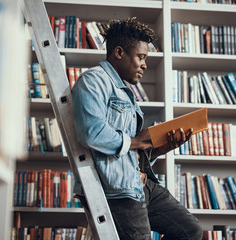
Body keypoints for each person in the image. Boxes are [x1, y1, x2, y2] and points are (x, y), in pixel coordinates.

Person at [71, 17, 202, 240]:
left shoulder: (126, 92)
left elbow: (129, 153)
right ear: (119, 52)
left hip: (141, 183)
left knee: (190, 232)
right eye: (141, 57)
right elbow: (91, 132)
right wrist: (140, 140)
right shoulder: (93, 80)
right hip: (116, 192)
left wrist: (159, 149)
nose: (144, 64)